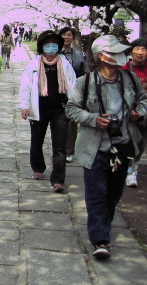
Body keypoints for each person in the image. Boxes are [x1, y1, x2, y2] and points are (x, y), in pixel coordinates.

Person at [65, 35, 147, 259]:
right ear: (102, 56)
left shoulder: (130, 79)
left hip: (121, 147)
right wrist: (93, 119)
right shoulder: (85, 83)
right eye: (115, 52)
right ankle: (100, 239)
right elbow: (71, 109)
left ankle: (104, 225)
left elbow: (144, 100)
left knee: (113, 193)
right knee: (96, 193)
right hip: (94, 149)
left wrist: (140, 112)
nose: (121, 56)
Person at [19, 30, 77, 193]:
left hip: (59, 109)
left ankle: (58, 179)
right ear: (42, 46)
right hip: (39, 108)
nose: (51, 48)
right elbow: (26, 86)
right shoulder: (34, 64)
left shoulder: (64, 63)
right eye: (47, 44)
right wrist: (24, 106)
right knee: (36, 142)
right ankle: (38, 168)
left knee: (60, 145)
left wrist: (74, 106)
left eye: (54, 45)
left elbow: (72, 86)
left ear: (58, 46)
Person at [59, 26, 90, 163]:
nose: (66, 37)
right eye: (64, 35)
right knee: (59, 122)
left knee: (72, 122)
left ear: (73, 38)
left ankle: (68, 151)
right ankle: (59, 148)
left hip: (74, 92)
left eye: (69, 35)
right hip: (58, 93)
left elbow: (85, 73)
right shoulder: (55, 53)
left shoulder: (77, 54)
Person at [122, 38, 147, 187]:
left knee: (142, 142)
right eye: (137, 49)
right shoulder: (124, 69)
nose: (140, 52)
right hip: (131, 111)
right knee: (132, 141)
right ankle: (131, 170)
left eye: (144, 49)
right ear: (131, 51)